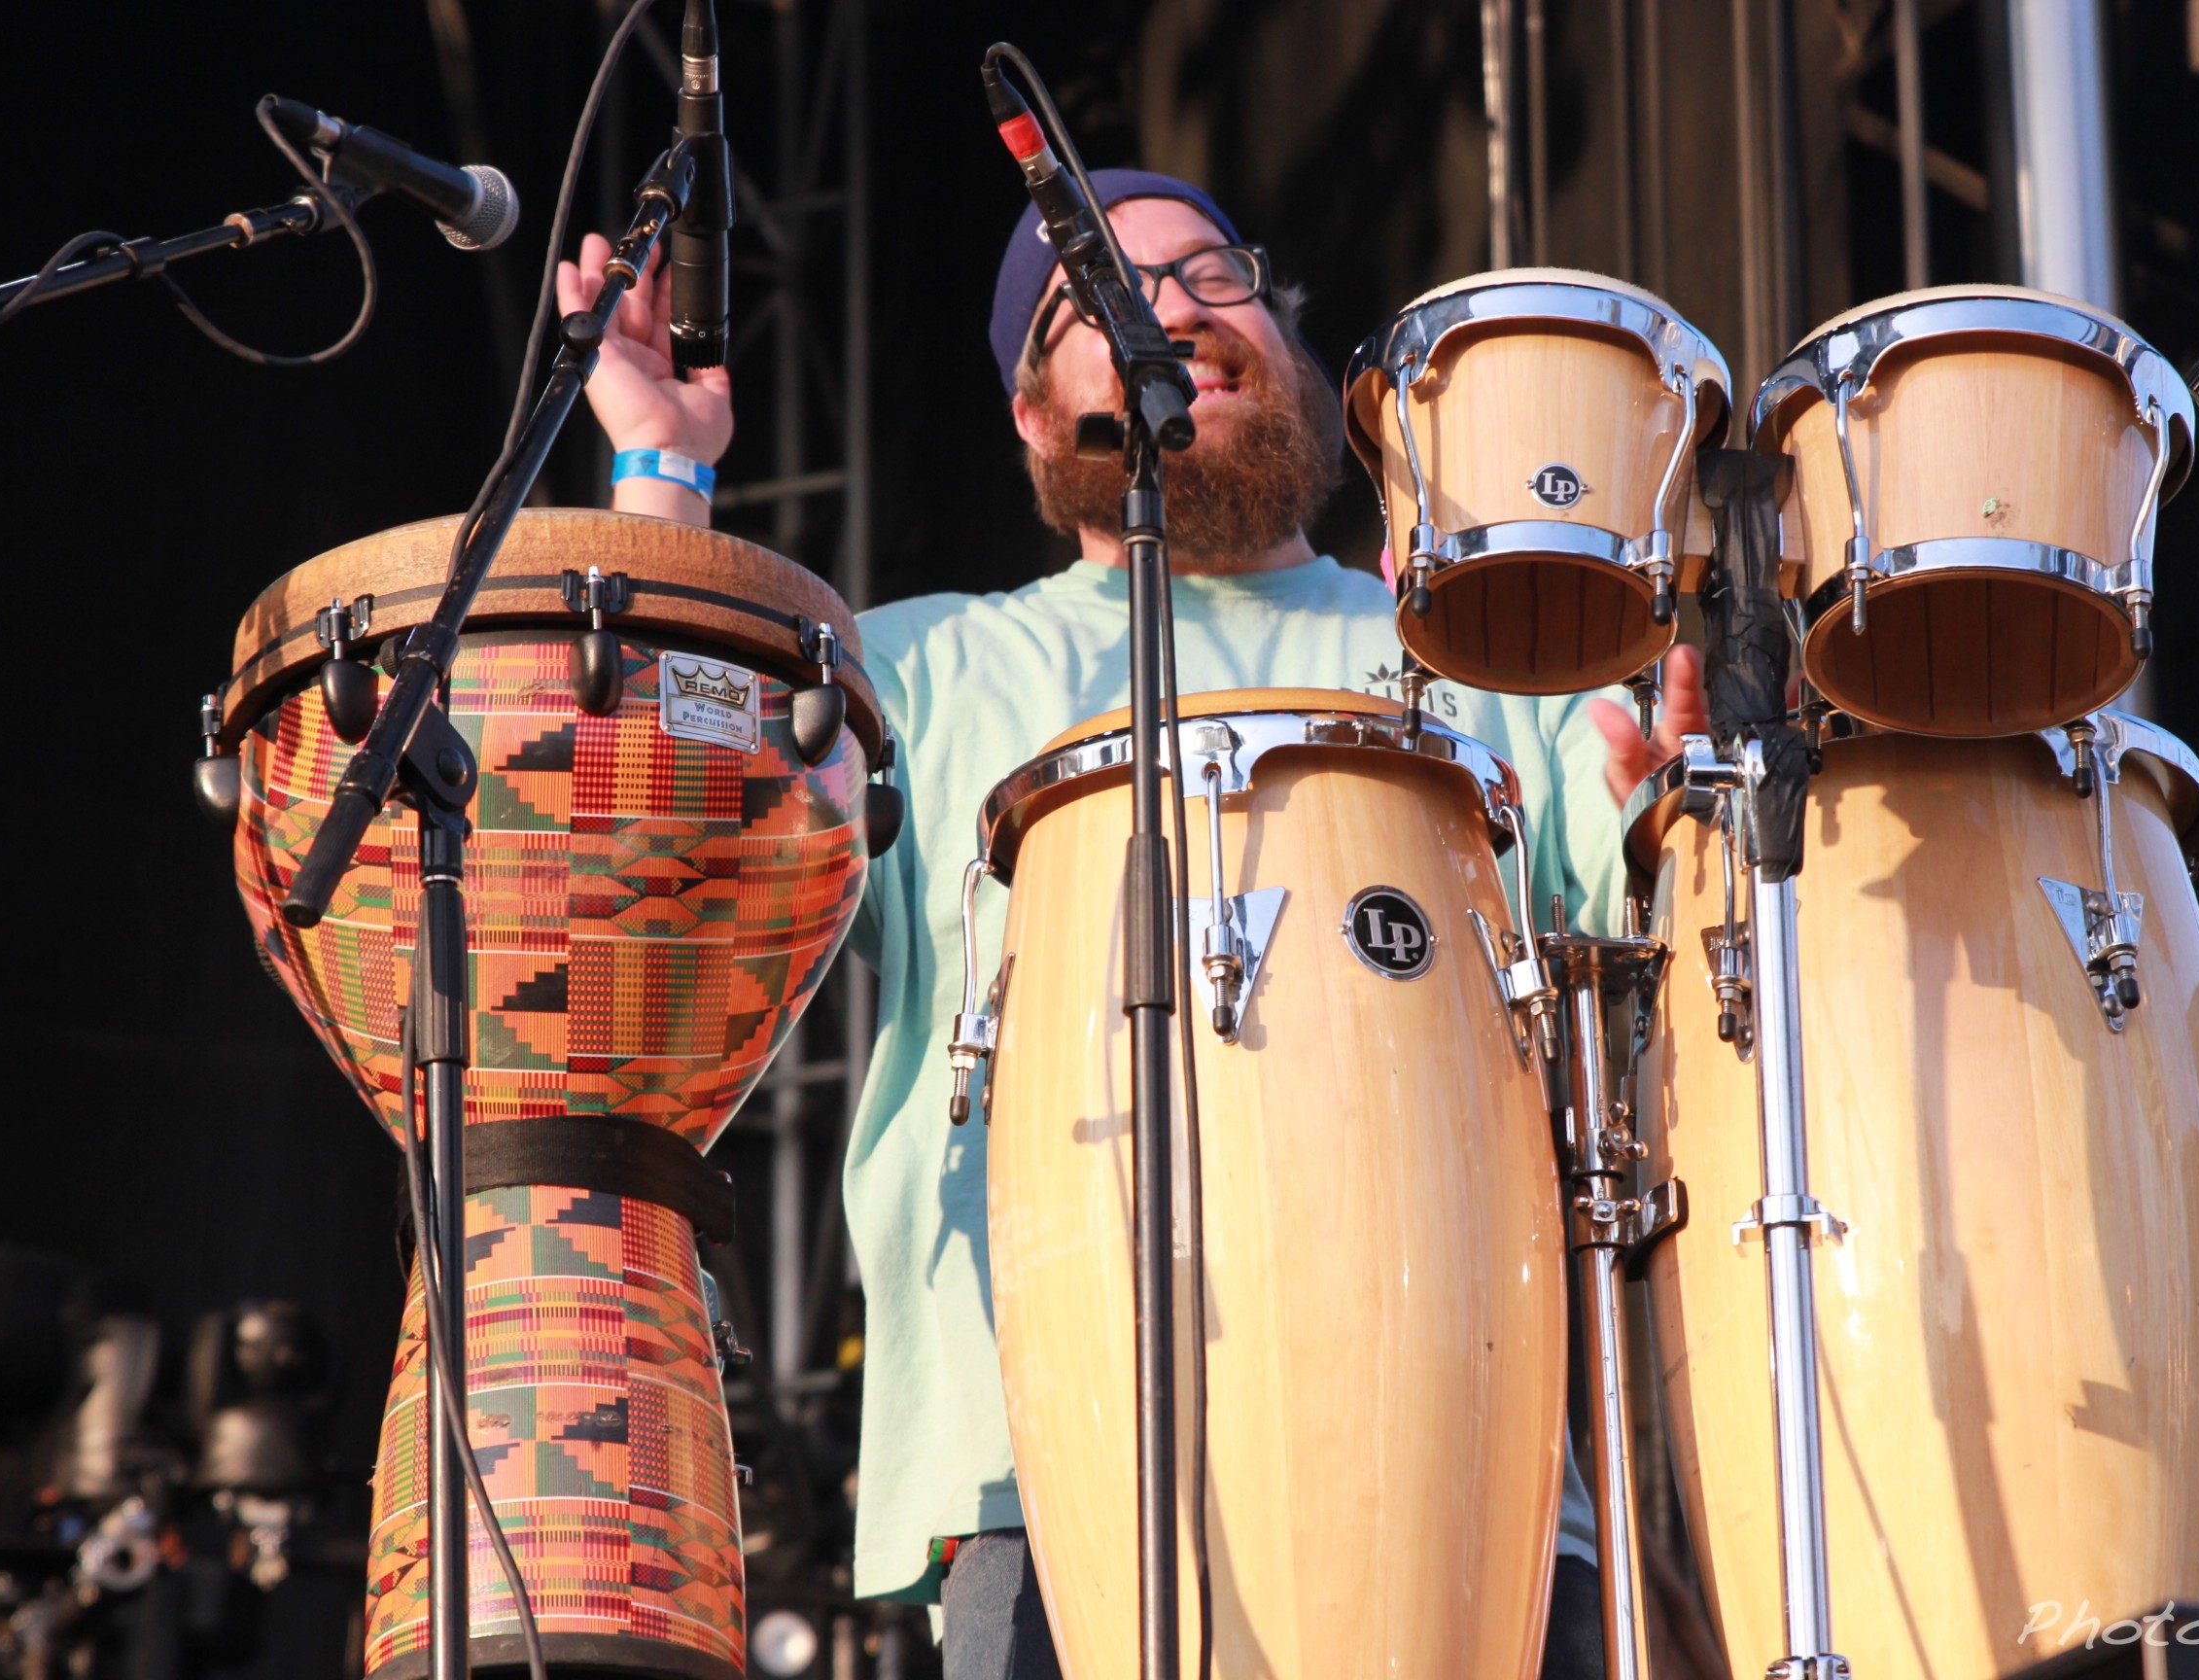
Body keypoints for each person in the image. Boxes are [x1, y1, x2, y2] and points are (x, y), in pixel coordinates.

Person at [559, 171, 1705, 1678]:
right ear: (1038, 420)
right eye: (1093, 301)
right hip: (1042, 1461)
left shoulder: (1487, 648)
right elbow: (654, 852)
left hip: (1459, 1451)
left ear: (1285, 345)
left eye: (1211, 275)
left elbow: (1648, 974)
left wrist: (1678, 815)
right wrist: (662, 466)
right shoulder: (922, 668)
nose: (1167, 307)